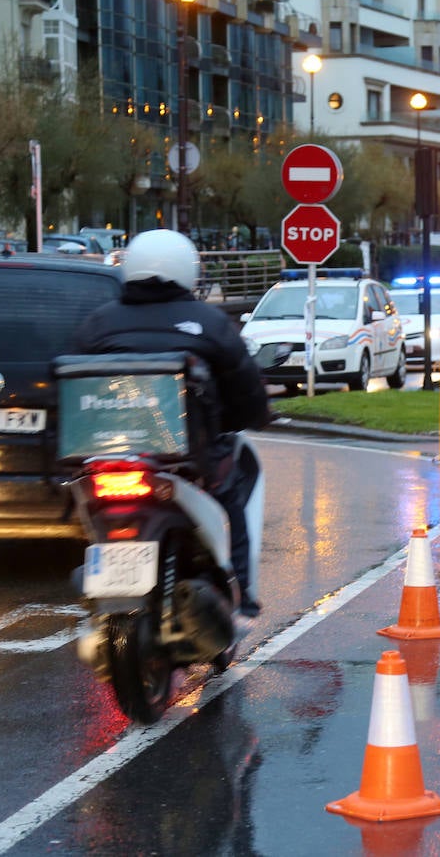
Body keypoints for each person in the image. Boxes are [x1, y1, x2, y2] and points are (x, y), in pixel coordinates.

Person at [70, 229, 271, 619]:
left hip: (107, 451)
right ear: (187, 271)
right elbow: (244, 384)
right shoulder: (209, 322)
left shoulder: (98, 323)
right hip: (188, 459)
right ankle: (242, 595)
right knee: (233, 497)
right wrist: (256, 415)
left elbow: (70, 383)